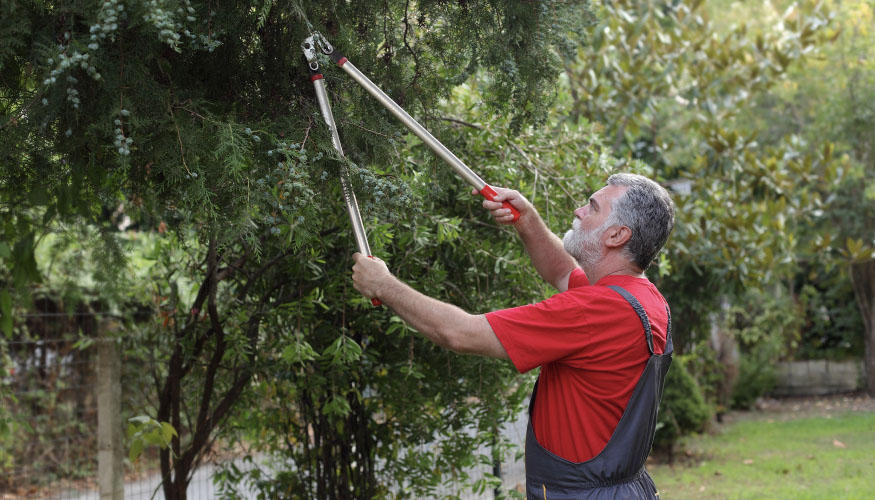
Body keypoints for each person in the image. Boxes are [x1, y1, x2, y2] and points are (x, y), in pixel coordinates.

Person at [352, 173, 675, 499]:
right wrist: (527, 221)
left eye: (592, 207)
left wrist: (383, 285)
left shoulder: (594, 310)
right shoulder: (643, 299)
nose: (578, 211)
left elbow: (460, 333)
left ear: (617, 235)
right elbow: (563, 272)